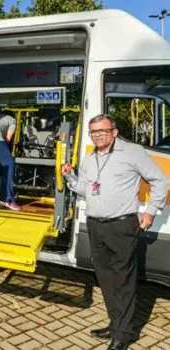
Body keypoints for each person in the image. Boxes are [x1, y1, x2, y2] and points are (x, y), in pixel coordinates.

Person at [61, 114, 168, 350]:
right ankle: (115, 325)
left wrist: (150, 211)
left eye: (102, 130)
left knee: (123, 281)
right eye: (93, 131)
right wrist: (70, 175)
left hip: (121, 226)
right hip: (95, 225)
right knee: (106, 280)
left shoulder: (132, 152)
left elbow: (160, 180)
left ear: (115, 131)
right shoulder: (90, 158)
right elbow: (85, 190)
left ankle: (124, 334)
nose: (97, 134)